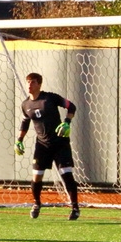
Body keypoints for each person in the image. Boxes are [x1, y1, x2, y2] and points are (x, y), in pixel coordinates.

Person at [15, 72, 80, 220]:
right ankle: (37, 204)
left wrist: (67, 122)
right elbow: (25, 122)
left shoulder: (50, 98)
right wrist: (19, 140)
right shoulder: (26, 104)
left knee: (66, 175)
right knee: (36, 177)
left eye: (32, 82)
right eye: (28, 82)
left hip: (60, 143)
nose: (29, 85)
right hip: (42, 146)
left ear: (39, 84)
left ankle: (75, 207)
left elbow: (71, 107)